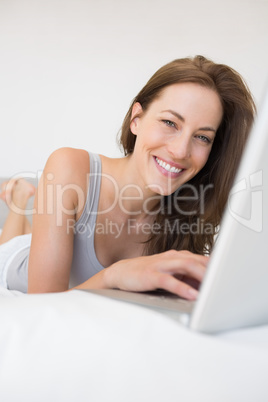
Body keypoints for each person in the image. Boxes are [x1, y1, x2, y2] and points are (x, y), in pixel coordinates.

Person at [0, 55, 255, 298]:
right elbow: (42, 304)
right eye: (169, 122)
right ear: (136, 119)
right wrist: (114, 276)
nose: (180, 151)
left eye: (202, 137)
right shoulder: (70, 167)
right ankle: (19, 201)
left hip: (48, 245)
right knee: (10, 245)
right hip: (13, 264)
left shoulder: (186, 217)